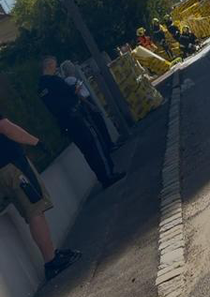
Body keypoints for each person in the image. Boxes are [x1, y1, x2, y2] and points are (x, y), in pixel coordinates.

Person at [0, 112, 81, 282]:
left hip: (5, 170)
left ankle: (52, 254)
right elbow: (6, 128)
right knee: (36, 210)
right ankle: (51, 261)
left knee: (33, 211)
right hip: (13, 165)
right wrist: (36, 141)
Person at [38, 58, 125, 191]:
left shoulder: (41, 87)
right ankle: (108, 174)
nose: (56, 68)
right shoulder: (55, 81)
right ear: (49, 65)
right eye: (54, 65)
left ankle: (102, 177)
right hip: (77, 117)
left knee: (87, 152)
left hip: (66, 124)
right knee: (95, 145)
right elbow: (72, 91)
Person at [60, 59, 117, 160]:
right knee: (98, 124)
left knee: (101, 122)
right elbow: (78, 94)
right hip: (85, 102)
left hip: (87, 100)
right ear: (68, 69)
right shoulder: (70, 80)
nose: (73, 67)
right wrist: (90, 104)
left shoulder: (73, 78)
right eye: (71, 66)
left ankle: (110, 143)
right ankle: (108, 145)